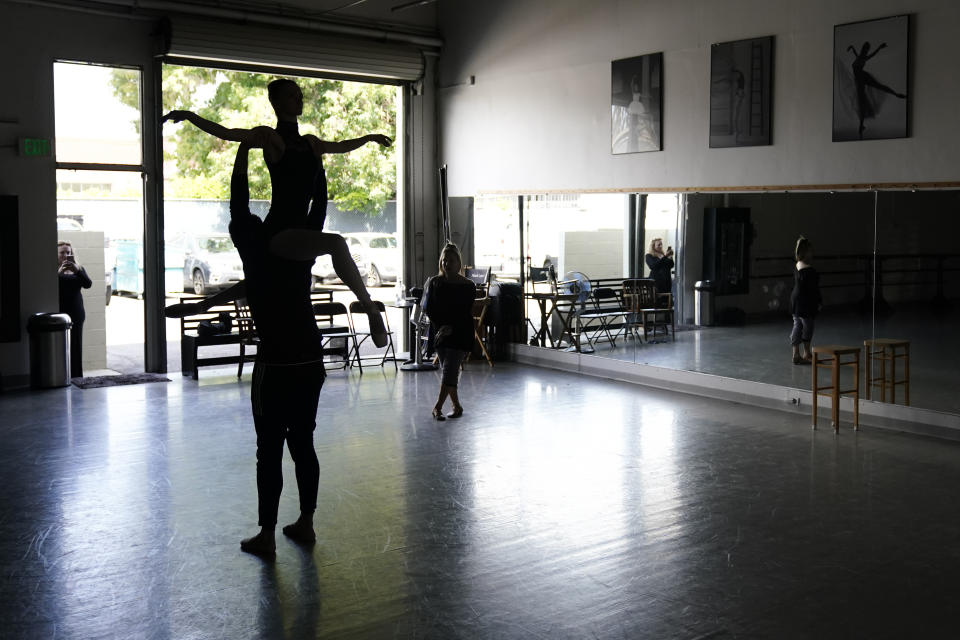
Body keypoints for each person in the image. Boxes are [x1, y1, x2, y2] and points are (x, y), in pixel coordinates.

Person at [166, 143, 326, 558]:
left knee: (269, 448)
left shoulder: (252, 249)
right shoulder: (296, 244)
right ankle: (306, 523)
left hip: (275, 364)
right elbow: (318, 205)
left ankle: (268, 534)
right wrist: (318, 164)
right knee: (303, 441)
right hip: (308, 358)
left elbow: (238, 203)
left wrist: (243, 151)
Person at [161, 77, 389, 347]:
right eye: (293, 96)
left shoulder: (311, 143)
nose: (299, 99)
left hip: (302, 231)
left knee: (268, 280)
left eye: (300, 95)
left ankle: (204, 307)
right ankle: (371, 309)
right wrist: (189, 115)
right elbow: (226, 132)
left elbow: (340, 146)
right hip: (280, 231)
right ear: (277, 103)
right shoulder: (271, 138)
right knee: (336, 243)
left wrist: (370, 138)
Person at [421, 243, 476, 421]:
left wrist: (451, 327)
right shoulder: (435, 282)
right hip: (440, 332)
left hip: (460, 332)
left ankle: (437, 407)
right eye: (444, 260)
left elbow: (465, 312)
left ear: (458, 263)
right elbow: (430, 309)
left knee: (449, 370)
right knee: (449, 371)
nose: (447, 264)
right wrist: (442, 327)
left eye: (451, 260)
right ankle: (457, 406)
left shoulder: (468, 285)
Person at [847, 41, 907, 139]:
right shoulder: (859, 57)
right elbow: (858, 56)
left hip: (862, 78)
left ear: (865, 50)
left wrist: (879, 47)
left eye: (865, 49)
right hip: (860, 80)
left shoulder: (863, 58)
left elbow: (872, 54)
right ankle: (861, 126)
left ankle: (896, 94)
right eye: (864, 48)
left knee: (873, 90)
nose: (864, 50)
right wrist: (853, 48)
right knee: (862, 101)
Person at [57, 241, 91, 378]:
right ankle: (60, 376)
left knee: (76, 347)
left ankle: (77, 377)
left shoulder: (79, 269)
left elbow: (88, 284)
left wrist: (77, 270)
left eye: (68, 252)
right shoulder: (53, 269)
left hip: (76, 313)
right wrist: (59, 272)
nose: (66, 255)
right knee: (59, 347)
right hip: (59, 313)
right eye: (62, 252)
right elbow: (52, 286)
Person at [790, 236, 822, 365]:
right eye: (810, 250)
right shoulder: (810, 271)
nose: (812, 252)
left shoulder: (797, 266)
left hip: (795, 300)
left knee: (797, 325)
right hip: (805, 302)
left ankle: (796, 353)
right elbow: (814, 290)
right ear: (806, 252)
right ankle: (806, 352)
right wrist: (819, 302)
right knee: (808, 326)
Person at [645, 237, 674, 302]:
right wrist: (665, 257)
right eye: (659, 245)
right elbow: (653, 266)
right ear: (653, 246)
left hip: (666, 282)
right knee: (658, 301)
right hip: (656, 282)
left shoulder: (663, 255)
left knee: (667, 301)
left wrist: (670, 257)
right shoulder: (649, 256)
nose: (661, 246)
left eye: (661, 244)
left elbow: (671, 265)